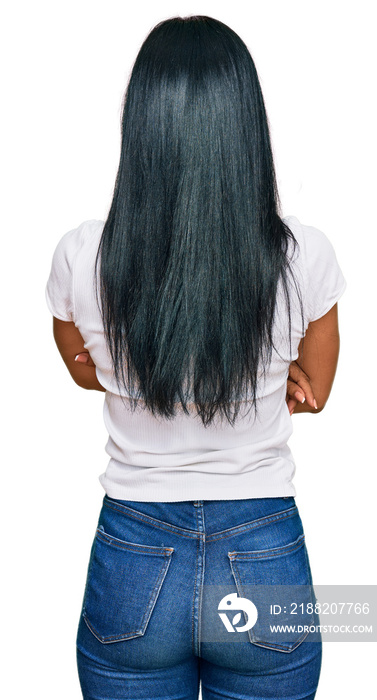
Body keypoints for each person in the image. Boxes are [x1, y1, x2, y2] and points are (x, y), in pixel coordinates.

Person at [45, 15, 346, 700]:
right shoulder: (304, 257)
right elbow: (317, 388)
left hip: (135, 554)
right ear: (245, 126)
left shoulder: (83, 254)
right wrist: (275, 373)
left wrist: (134, 371)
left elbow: (79, 363)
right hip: (264, 549)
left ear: (140, 127)